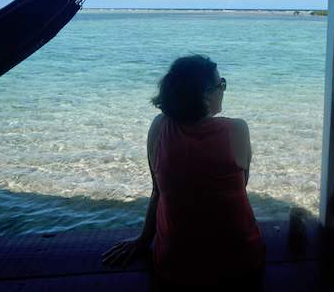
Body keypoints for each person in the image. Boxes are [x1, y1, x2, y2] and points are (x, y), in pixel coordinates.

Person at [102, 55, 265, 289]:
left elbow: (157, 192)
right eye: (222, 85)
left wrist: (143, 240)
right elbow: (242, 185)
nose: (224, 90)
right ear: (206, 95)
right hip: (241, 261)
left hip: (176, 266)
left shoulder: (159, 127)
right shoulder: (237, 129)